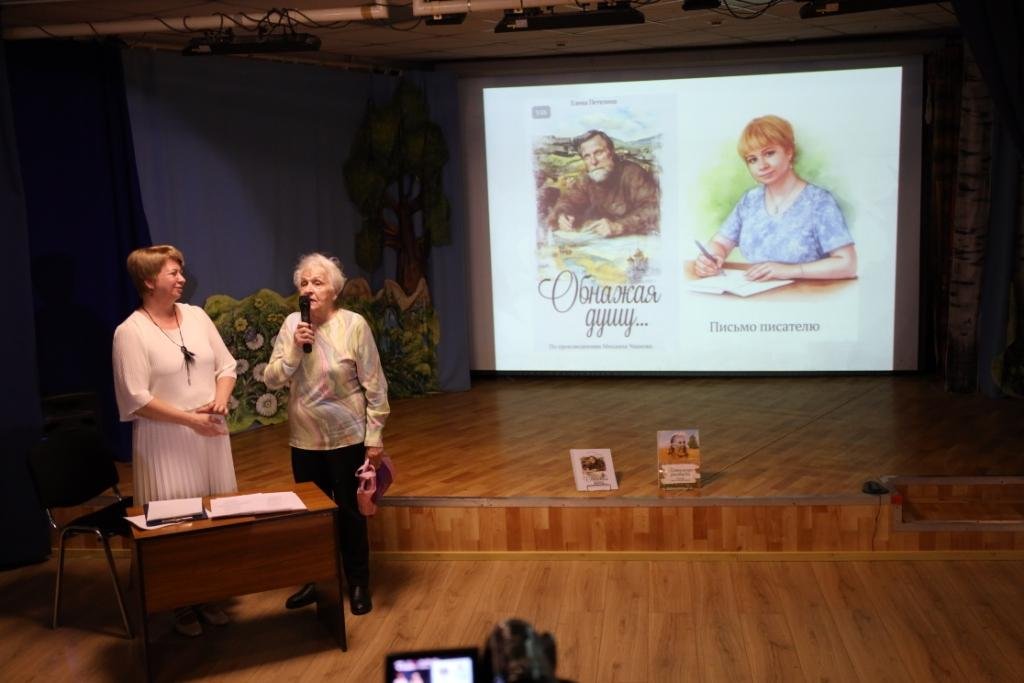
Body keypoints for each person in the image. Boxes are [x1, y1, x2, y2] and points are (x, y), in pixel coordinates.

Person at [112, 244, 238, 637]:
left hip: (210, 435)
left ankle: (208, 592)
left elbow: (227, 366)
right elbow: (136, 398)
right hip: (166, 442)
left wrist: (220, 400)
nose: (182, 278)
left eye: (181, 271)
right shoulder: (130, 332)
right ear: (149, 281)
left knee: (214, 518)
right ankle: (179, 601)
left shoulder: (197, 317)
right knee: (176, 524)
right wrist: (189, 420)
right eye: (173, 272)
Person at [263, 253, 390, 616]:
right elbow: (271, 378)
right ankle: (317, 581)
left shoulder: (353, 325)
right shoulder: (292, 324)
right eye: (303, 283)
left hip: (347, 437)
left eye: (317, 282)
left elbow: (375, 385)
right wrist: (293, 350)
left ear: (334, 290)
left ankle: (358, 582)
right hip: (304, 440)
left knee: (349, 512)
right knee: (313, 516)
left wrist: (374, 436)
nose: (309, 289)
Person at [695, 115, 857, 281]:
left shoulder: (819, 201)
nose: (762, 165)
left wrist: (791, 270)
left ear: (789, 151)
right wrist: (712, 257)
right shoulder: (750, 200)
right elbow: (720, 243)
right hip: (753, 290)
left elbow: (848, 264)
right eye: (752, 159)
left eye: (769, 153)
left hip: (809, 293)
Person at [546, 129, 660, 237]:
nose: (593, 161)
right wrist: (562, 215)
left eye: (598, 153)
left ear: (611, 153)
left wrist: (620, 226)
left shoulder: (633, 173)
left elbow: (653, 208)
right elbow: (568, 200)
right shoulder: (586, 179)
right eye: (587, 156)